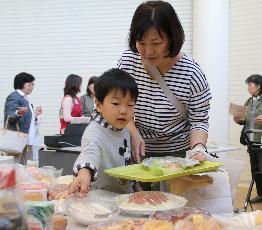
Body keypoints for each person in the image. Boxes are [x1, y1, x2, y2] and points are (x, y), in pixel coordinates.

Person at [117, 0, 212, 164]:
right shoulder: (128, 62)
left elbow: (199, 120)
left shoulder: (191, 73)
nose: (148, 51)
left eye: (156, 43)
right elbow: (119, 104)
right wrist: (132, 132)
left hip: (178, 155)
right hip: (136, 150)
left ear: (172, 37)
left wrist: (197, 149)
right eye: (141, 43)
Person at [68, 68, 139, 196]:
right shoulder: (95, 131)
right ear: (99, 105)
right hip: (102, 201)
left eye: (130, 105)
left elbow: (127, 162)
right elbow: (90, 151)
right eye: (116, 103)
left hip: (124, 197)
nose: (124, 110)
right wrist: (84, 172)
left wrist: (136, 189)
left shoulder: (122, 128)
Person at [233, 74, 262, 210]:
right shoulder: (249, 101)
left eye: (250, 85)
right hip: (252, 142)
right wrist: (239, 120)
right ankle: (260, 195)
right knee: (256, 170)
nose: (248, 88)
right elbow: (246, 120)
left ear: (259, 86)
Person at [4, 72, 43, 163]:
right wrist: (18, 113)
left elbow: (26, 118)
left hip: (24, 138)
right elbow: (10, 116)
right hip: (17, 138)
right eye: (29, 84)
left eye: (33, 84)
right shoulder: (14, 97)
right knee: (15, 166)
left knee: (22, 167)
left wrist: (34, 114)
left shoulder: (24, 98)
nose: (32, 87)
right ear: (21, 84)